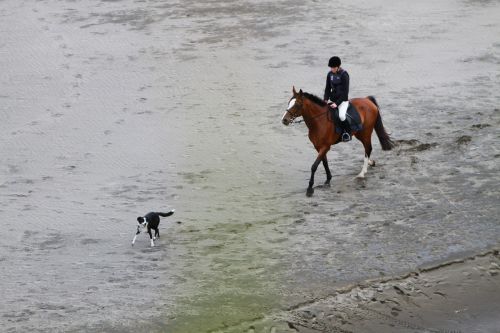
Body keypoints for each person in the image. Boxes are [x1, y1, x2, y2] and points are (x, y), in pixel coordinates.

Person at [324, 56, 351, 141]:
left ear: (338, 66)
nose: (332, 69)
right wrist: (325, 99)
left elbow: (345, 93)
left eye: (334, 67)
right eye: (331, 67)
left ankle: (347, 133)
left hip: (342, 101)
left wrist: (337, 104)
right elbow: (327, 88)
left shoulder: (344, 75)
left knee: (341, 116)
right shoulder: (330, 74)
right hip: (333, 99)